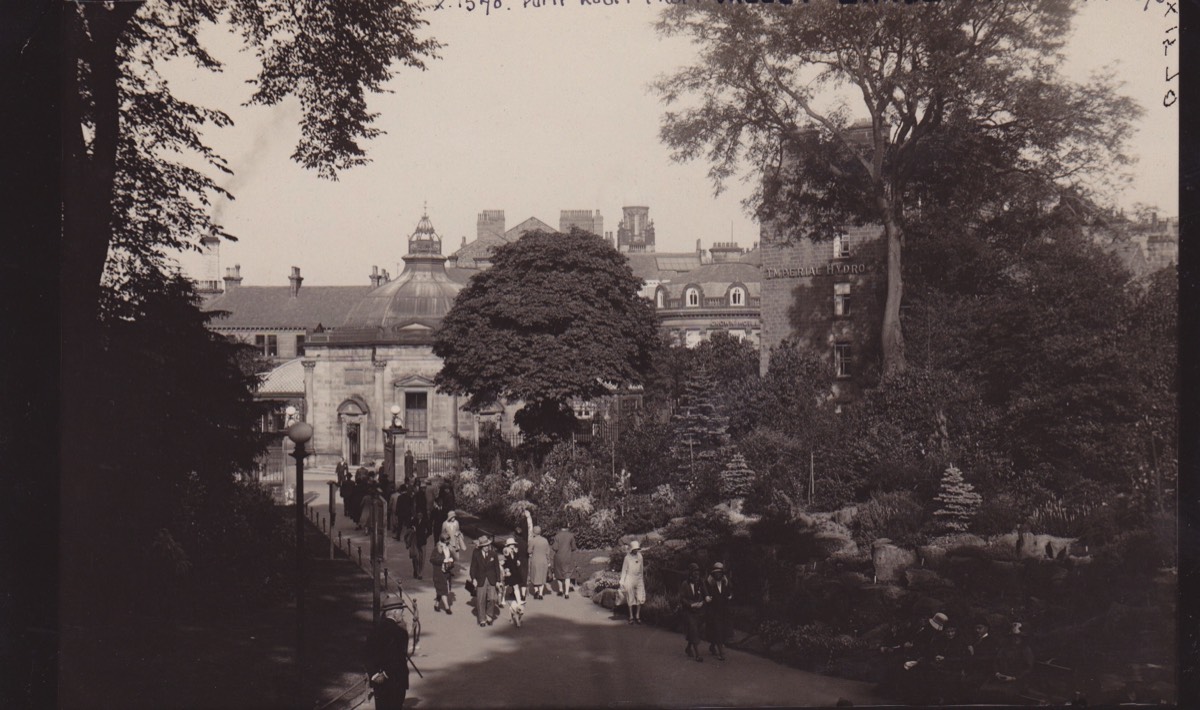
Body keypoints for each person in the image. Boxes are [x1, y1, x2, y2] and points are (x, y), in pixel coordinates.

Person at [366, 603, 410, 710]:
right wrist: (386, 674)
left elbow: (367, 654)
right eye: (401, 612)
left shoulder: (374, 630)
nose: (402, 615)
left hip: (378, 681)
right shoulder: (400, 632)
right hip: (396, 679)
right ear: (395, 612)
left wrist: (375, 674)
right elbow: (397, 658)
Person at [978, 622, 1035, 703]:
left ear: (1022, 638)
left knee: (1004, 694)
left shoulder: (1026, 649)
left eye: (1018, 637)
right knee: (984, 689)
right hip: (1001, 677)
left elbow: (1028, 668)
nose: (1015, 639)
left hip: (1017, 680)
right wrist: (997, 673)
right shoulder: (1005, 648)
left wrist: (1013, 678)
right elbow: (996, 661)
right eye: (1013, 637)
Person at [469, 535, 502, 627]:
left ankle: (489, 615)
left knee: (492, 598)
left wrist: (498, 580)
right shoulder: (476, 554)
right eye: (485, 546)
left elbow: (497, 568)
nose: (487, 547)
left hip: (492, 579)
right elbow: (473, 568)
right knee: (481, 599)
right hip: (480, 579)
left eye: (488, 545)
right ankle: (482, 619)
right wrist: (473, 579)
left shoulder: (493, 554)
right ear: (481, 547)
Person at [704, 561, 733, 660]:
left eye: (720, 573)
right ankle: (721, 653)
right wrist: (707, 598)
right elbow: (705, 593)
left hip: (723, 611)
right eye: (716, 573)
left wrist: (729, 596)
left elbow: (729, 592)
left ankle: (713, 646)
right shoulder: (709, 583)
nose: (718, 575)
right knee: (718, 630)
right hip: (714, 611)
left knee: (719, 630)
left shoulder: (725, 582)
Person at [679, 562, 706, 662]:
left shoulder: (700, 583)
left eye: (698, 571)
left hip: (699, 611)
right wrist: (691, 605)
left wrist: (703, 601)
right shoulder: (685, 584)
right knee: (694, 629)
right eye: (694, 571)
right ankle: (697, 655)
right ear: (690, 573)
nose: (696, 574)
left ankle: (688, 648)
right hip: (689, 611)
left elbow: (704, 593)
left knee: (696, 630)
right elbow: (682, 598)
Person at [501, 537, 527, 626]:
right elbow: (505, 557)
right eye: (511, 544)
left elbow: (517, 559)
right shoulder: (506, 550)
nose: (513, 546)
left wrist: (518, 560)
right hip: (508, 570)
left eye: (513, 544)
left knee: (516, 586)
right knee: (505, 586)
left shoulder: (515, 551)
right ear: (508, 545)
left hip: (514, 570)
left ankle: (519, 600)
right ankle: (503, 599)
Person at [620, 540, 646, 625]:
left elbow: (641, 569)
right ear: (631, 549)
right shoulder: (627, 558)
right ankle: (631, 616)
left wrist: (642, 579)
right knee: (630, 596)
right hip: (629, 578)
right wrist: (622, 581)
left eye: (637, 549)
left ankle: (637, 615)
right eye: (635, 549)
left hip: (638, 578)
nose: (636, 550)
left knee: (640, 596)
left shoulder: (640, 556)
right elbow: (624, 570)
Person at [432, 531, 455, 614]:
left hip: (446, 571)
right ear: (443, 540)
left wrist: (451, 560)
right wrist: (443, 560)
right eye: (447, 540)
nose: (448, 542)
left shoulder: (447, 547)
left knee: (442, 589)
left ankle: (436, 604)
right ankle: (447, 608)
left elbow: (451, 556)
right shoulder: (437, 548)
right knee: (444, 589)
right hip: (439, 573)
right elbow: (432, 559)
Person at [552, 524, 578, 598]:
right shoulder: (571, 535)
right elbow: (573, 547)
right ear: (567, 527)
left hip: (559, 557)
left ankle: (560, 590)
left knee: (559, 574)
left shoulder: (557, 536)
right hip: (568, 557)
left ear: (560, 528)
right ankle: (566, 593)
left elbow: (555, 548)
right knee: (567, 575)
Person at [527, 525, 552, 599]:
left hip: (535, 560)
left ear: (534, 533)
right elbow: (548, 552)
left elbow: (529, 551)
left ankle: (536, 591)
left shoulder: (532, 540)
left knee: (534, 576)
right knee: (542, 576)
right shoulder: (545, 540)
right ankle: (541, 594)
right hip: (543, 560)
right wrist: (549, 562)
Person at [406, 509, 430, 580]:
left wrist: (425, 536)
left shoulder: (425, 521)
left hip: (422, 541)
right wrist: (412, 528)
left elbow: (429, 531)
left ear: (422, 515)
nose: (419, 515)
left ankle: (420, 573)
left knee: (422, 558)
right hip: (415, 540)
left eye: (420, 514)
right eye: (418, 514)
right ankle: (415, 570)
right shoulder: (414, 520)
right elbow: (408, 526)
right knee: (415, 557)